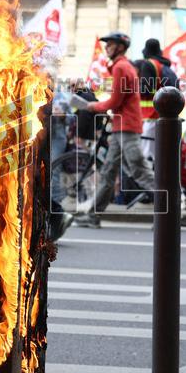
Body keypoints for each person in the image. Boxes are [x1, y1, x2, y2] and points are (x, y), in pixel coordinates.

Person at [75, 32, 155, 229]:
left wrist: (92, 106)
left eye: (110, 45)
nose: (106, 48)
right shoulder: (122, 66)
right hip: (122, 126)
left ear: (120, 47)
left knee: (139, 170)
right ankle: (94, 216)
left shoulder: (121, 67)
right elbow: (120, 102)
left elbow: (115, 100)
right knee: (109, 171)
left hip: (127, 127)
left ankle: (171, 210)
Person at [134, 38, 179, 160]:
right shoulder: (169, 69)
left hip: (150, 118)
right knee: (160, 160)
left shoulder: (149, 65)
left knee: (147, 159)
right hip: (166, 120)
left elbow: (146, 89)